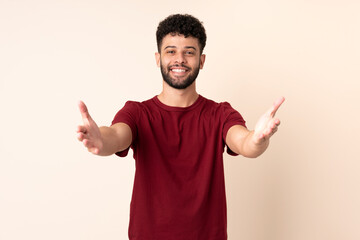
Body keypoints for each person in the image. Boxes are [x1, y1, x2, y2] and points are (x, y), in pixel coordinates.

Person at [77, 14, 284, 240]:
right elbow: (116, 135)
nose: (180, 59)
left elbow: (244, 142)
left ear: (201, 60)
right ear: (158, 58)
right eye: (171, 51)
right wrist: (100, 140)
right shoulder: (137, 113)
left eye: (189, 52)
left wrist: (257, 139)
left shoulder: (220, 114)